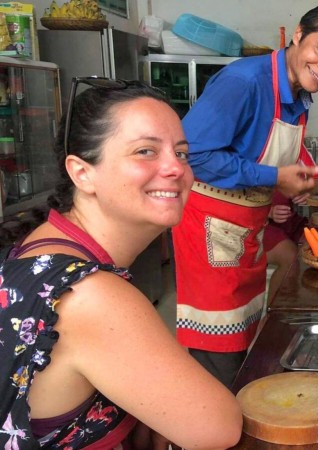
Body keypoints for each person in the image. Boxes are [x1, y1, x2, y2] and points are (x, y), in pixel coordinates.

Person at [0, 79, 241, 449]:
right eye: (145, 151)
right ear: (82, 173)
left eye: (181, 153)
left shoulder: (40, 244)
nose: (175, 168)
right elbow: (218, 428)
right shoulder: (89, 294)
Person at [172, 5, 318, 387]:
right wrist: (275, 177)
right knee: (217, 354)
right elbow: (192, 154)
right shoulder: (244, 81)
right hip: (211, 233)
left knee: (244, 338)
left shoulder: (299, 96)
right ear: (298, 35)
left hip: (247, 234)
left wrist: (293, 179)